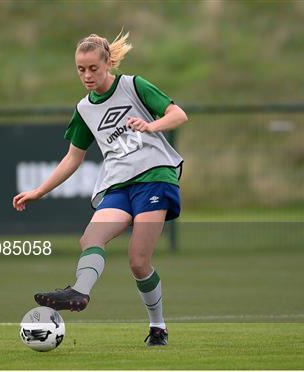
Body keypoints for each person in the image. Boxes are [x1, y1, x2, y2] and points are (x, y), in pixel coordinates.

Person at [12, 32, 188, 347]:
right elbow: (72, 159)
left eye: (93, 68)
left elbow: (178, 114)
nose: (87, 75)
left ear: (108, 63)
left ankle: (158, 327)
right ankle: (80, 292)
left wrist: (151, 126)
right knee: (91, 238)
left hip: (154, 177)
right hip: (118, 185)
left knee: (138, 261)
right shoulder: (84, 109)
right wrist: (38, 191)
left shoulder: (133, 86)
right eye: (81, 69)